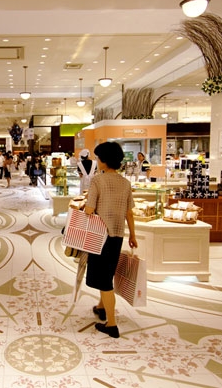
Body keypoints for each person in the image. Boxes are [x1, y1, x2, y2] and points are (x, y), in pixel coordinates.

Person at [84, 141, 138, 338]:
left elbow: (89, 209)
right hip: (117, 236)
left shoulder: (98, 180)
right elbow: (129, 212)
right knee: (106, 274)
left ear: (104, 160)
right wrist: (133, 235)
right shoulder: (125, 183)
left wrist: (84, 208)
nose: (97, 161)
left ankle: (112, 324)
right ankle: (101, 306)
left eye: (98, 158)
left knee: (105, 281)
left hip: (100, 236)